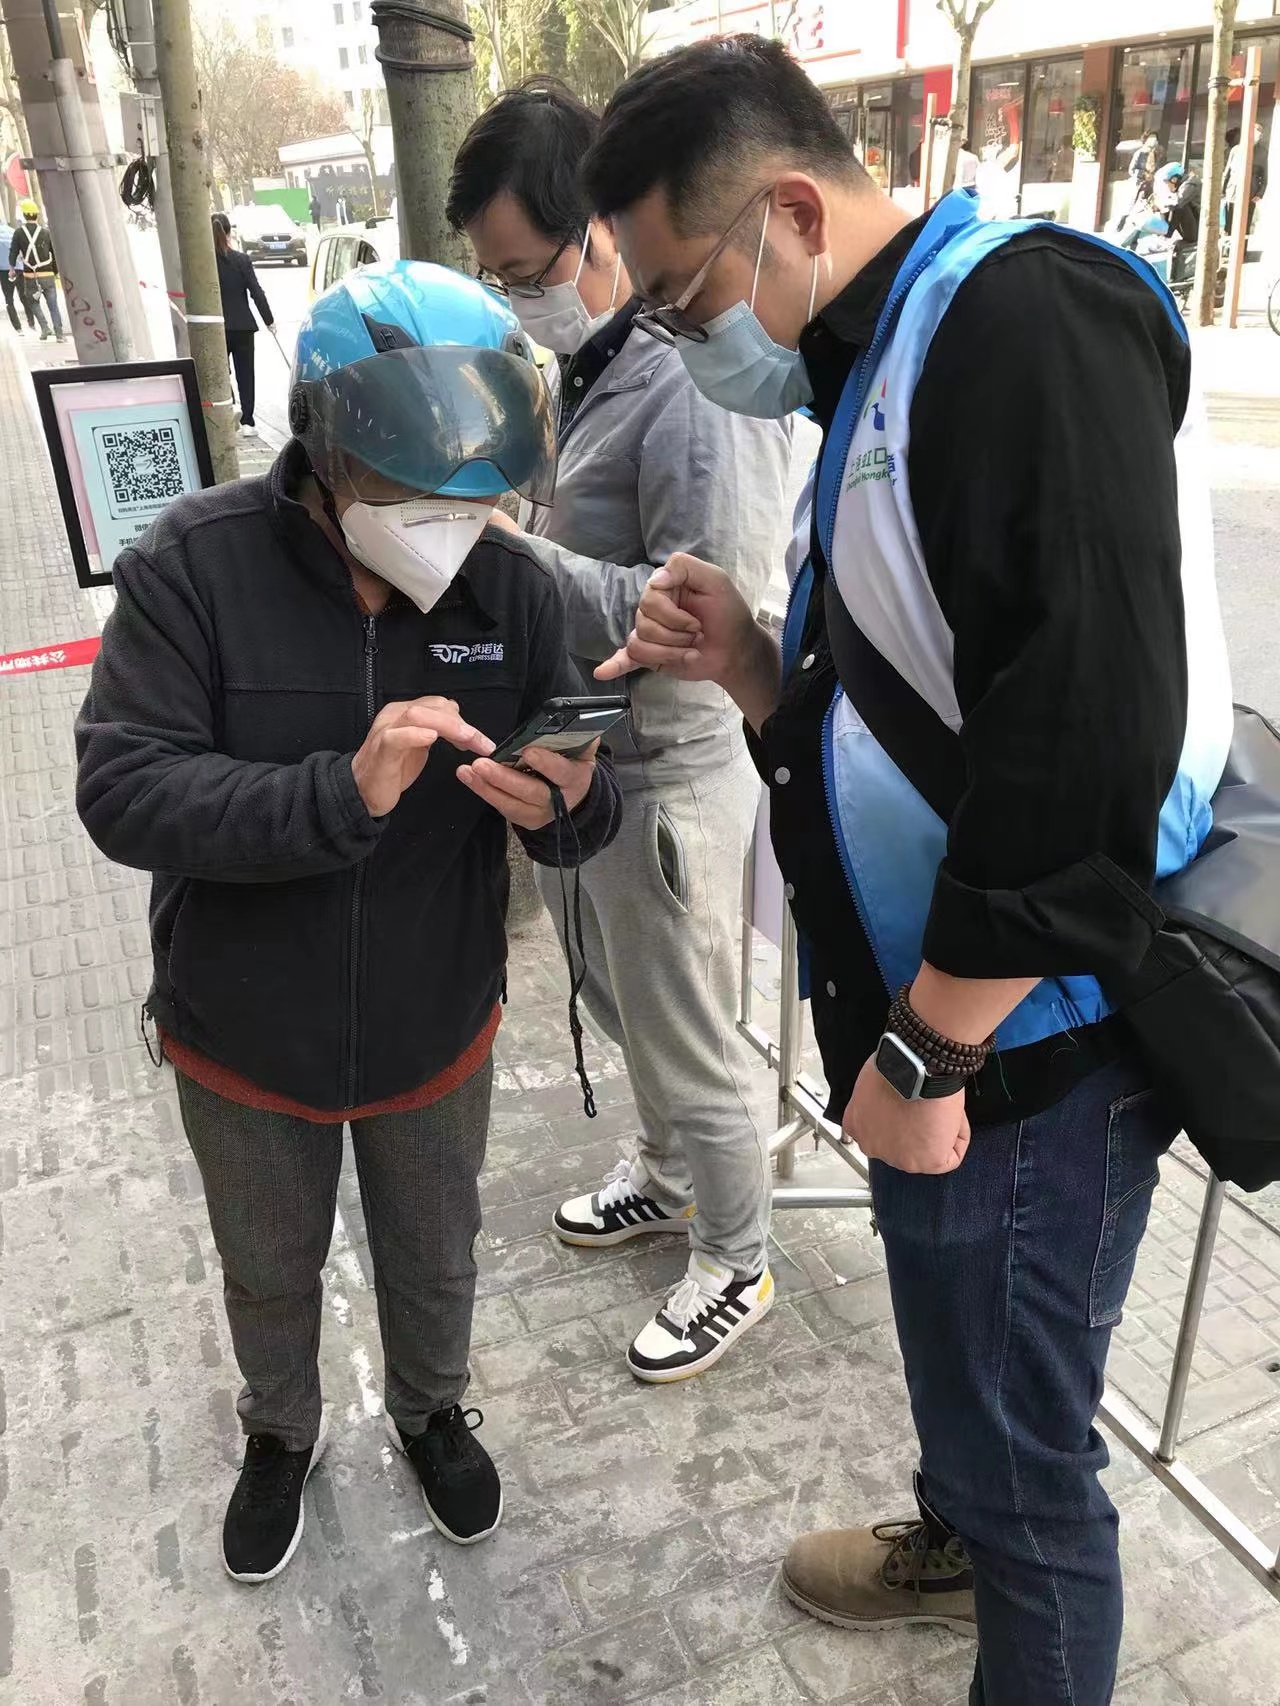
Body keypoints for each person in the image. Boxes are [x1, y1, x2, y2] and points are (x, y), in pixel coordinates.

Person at [585, 36, 1232, 1705]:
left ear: (792, 214)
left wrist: (932, 1044)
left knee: (1032, 1470)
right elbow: (919, 691)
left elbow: (1081, 735)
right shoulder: (881, 353)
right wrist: (753, 663)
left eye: (682, 297)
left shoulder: (1018, 322)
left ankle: (992, 1557)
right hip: (934, 1037)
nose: (683, 342)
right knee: (971, 1376)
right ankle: (954, 1537)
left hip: (1021, 1048)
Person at [75, 260, 622, 1583]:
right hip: (243, 1031)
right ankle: (281, 1430)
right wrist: (340, 793)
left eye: (475, 491)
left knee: (436, 1253)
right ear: (324, 451)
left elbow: (581, 796)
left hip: (436, 1021)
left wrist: (564, 807)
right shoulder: (192, 567)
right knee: (268, 1263)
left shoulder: (512, 588)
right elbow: (123, 788)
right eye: (411, 486)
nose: (450, 519)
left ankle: (432, 1410)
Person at [447, 78, 793, 1382]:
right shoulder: (584, 367)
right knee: (621, 1001)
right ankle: (662, 1172)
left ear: (596, 229)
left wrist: (511, 550)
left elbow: (707, 609)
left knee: (689, 1033)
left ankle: (737, 1257)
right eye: (494, 279)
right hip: (583, 758)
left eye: (524, 270)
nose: (515, 298)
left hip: (665, 772)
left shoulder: (692, 385)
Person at [212, 213, 273, 438]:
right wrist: (269, 320)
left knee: (220, 373)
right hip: (243, 326)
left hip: (216, 328)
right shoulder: (241, 260)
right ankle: (248, 421)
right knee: (246, 375)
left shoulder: (204, 264)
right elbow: (256, 292)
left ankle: (229, 409)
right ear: (229, 233)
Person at [8, 198, 64, 341]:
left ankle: (44, 328)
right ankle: (59, 334)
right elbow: (54, 254)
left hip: (30, 276)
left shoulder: (19, 233)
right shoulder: (46, 232)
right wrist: (55, 272)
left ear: (24, 215)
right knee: (53, 305)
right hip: (47, 274)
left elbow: (13, 252)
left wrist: (12, 269)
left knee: (32, 302)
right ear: (37, 215)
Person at [1223, 122, 1267, 237]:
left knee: (1245, 226)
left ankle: (1243, 248)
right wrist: (1222, 190)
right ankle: (1228, 246)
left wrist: (1260, 194)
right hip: (1233, 192)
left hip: (1250, 193)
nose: (1256, 137)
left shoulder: (1262, 153)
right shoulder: (1235, 150)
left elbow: (1265, 176)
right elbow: (1227, 172)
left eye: (1258, 135)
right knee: (1229, 224)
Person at [0, 214, 36, 335]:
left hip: (4, 270)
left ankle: (18, 328)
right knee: (24, 296)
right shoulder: (12, 231)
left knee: (9, 300)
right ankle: (32, 323)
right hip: (19, 267)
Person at [1128, 128, 1160, 209]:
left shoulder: (1156, 154)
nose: (1154, 140)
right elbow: (1131, 170)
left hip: (1152, 186)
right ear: (1146, 139)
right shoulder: (1139, 153)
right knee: (1133, 206)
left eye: (1155, 138)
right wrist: (1144, 174)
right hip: (1138, 185)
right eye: (1151, 138)